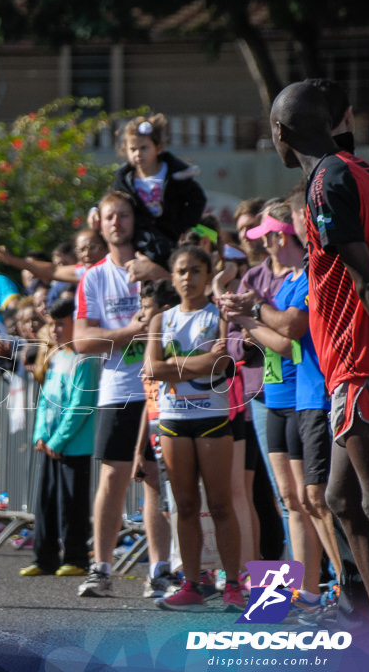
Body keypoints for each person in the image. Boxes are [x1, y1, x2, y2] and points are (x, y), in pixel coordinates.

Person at [272, 80, 369, 637]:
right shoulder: (357, 171)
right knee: (340, 498)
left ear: (280, 134)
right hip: (348, 367)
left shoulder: (328, 179)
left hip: (362, 364)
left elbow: (365, 280)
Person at [221, 203, 328, 616]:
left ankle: (322, 588)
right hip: (272, 396)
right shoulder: (264, 280)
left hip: (303, 396)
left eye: (266, 236)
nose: (262, 244)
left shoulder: (301, 276)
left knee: (311, 499)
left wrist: (250, 317)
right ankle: (294, 593)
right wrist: (245, 323)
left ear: (279, 236)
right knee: (290, 499)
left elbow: (288, 336)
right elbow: (234, 340)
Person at [145, 246, 244, 612]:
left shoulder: (217, 313)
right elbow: (153, 369)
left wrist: (175, 363)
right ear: (172, 277)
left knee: (220, 504)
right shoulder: (161, 320)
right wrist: (195, 364)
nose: (188, 277)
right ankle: (191, 583)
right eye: (182, 271)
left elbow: (221, 363)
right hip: (173, 421)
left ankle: (232, 583)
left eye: (196, 271)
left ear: (208, 274)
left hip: (212, 418)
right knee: (185, 505)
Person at [72, 191, 156, 597]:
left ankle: (162, 571)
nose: (117, 223)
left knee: (158, 479)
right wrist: (128, 334)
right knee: (112, 478)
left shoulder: (154, 268)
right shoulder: (93, 276)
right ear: (99, 223)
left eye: (123, 215)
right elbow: (81, 341)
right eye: (110, 216)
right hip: (117, 388)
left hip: (160, 386)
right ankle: (101, 568)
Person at [20, 297, 99, 578]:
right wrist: (40, 434)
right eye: (52, 324)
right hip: (51, 442)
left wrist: (58, 440)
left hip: (74, 445)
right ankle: (44, 558)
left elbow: (80, 405)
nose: (55, 330)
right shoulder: (55, 357)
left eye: (61, 324)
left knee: (72, 504)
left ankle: (76, 558)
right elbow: (44, 401)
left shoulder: (84, 360)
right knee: (47, 502)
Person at [131, 279, 181, 598]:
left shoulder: (175, 340)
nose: (140, 314)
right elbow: (148, 401)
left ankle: (187, 569)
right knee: (158, 498)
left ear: (163, 311)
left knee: (180, 504)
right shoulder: (151, 342)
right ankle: (160, 569)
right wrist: (139, 449)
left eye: (146, 308)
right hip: (154, 431)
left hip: (181, 428)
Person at [112, 114, 207, 268]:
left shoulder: (175, 175)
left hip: (171, 238)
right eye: (133, 149)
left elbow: (197, 199)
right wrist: (96, 209)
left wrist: (182, 225)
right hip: (140, 241)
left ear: (158, 148)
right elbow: (113, 200)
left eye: (144, 148)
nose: (138, 154)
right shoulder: (124, 180)